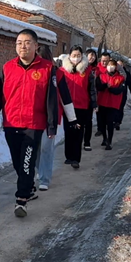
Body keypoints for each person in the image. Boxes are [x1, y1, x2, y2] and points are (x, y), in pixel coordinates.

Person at [0, 29, 77, 217]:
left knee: (27, 162)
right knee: (18, 163)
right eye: (19, 43)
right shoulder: (7, 68)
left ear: (36, 46)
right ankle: (29, 187)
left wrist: (57, 123)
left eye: (27, 42)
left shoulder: (48, 69)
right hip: (11, 123)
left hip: (34, 125)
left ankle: (21, 200)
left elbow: (56, 98)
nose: (23, 46)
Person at [35, 45, 76, 190]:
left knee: (46, 147)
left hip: (50, 117)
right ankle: (40, 170)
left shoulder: (57, 73)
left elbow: (65, 96)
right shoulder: (32, 73)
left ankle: (44, 179)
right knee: (36, 147)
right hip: (34, 116)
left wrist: (72, 118)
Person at [58, 45, 96, 160]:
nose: (76, 58)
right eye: (74, 55)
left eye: (78, 55)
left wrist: (94, 103)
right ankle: (68, 156)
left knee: (79, 132)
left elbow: (92, 89)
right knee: (69, 131)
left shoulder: (87, 71)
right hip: (67, 106)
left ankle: (76, 158)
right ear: (69, 56)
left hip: (82, 106)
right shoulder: (62, 71)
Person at [95, 58, 126, 150]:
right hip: (102, 102)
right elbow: (98, 87)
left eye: (112, 65)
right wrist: (105, 86)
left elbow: (120, 90)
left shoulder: (120, 78)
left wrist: (111, 89)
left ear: (116, 67)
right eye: (109, 65)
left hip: (113, 104)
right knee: (102, 123)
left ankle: (109, 141)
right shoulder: (101, 76)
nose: (110, 67)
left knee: (110, 122)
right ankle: (104, 138)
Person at [94, 51, 112, 137]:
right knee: (99, 113)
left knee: (108, 114)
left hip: (109, 95)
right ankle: (100, 129)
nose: (104, 62)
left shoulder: (113, 67)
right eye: (103, 60)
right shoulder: (97, 68)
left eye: (106, 61)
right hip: (99, 94)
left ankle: (108, 127)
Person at [116, 60, 131, 130]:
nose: (119, 66)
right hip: (114, 94)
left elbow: (130, 84)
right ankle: (113, 121)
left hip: (123, 93)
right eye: (118, 65)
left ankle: (118, 122)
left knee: (120, 108)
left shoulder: (126, 73)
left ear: (123, 65)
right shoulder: (113, 73)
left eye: (120, 65)